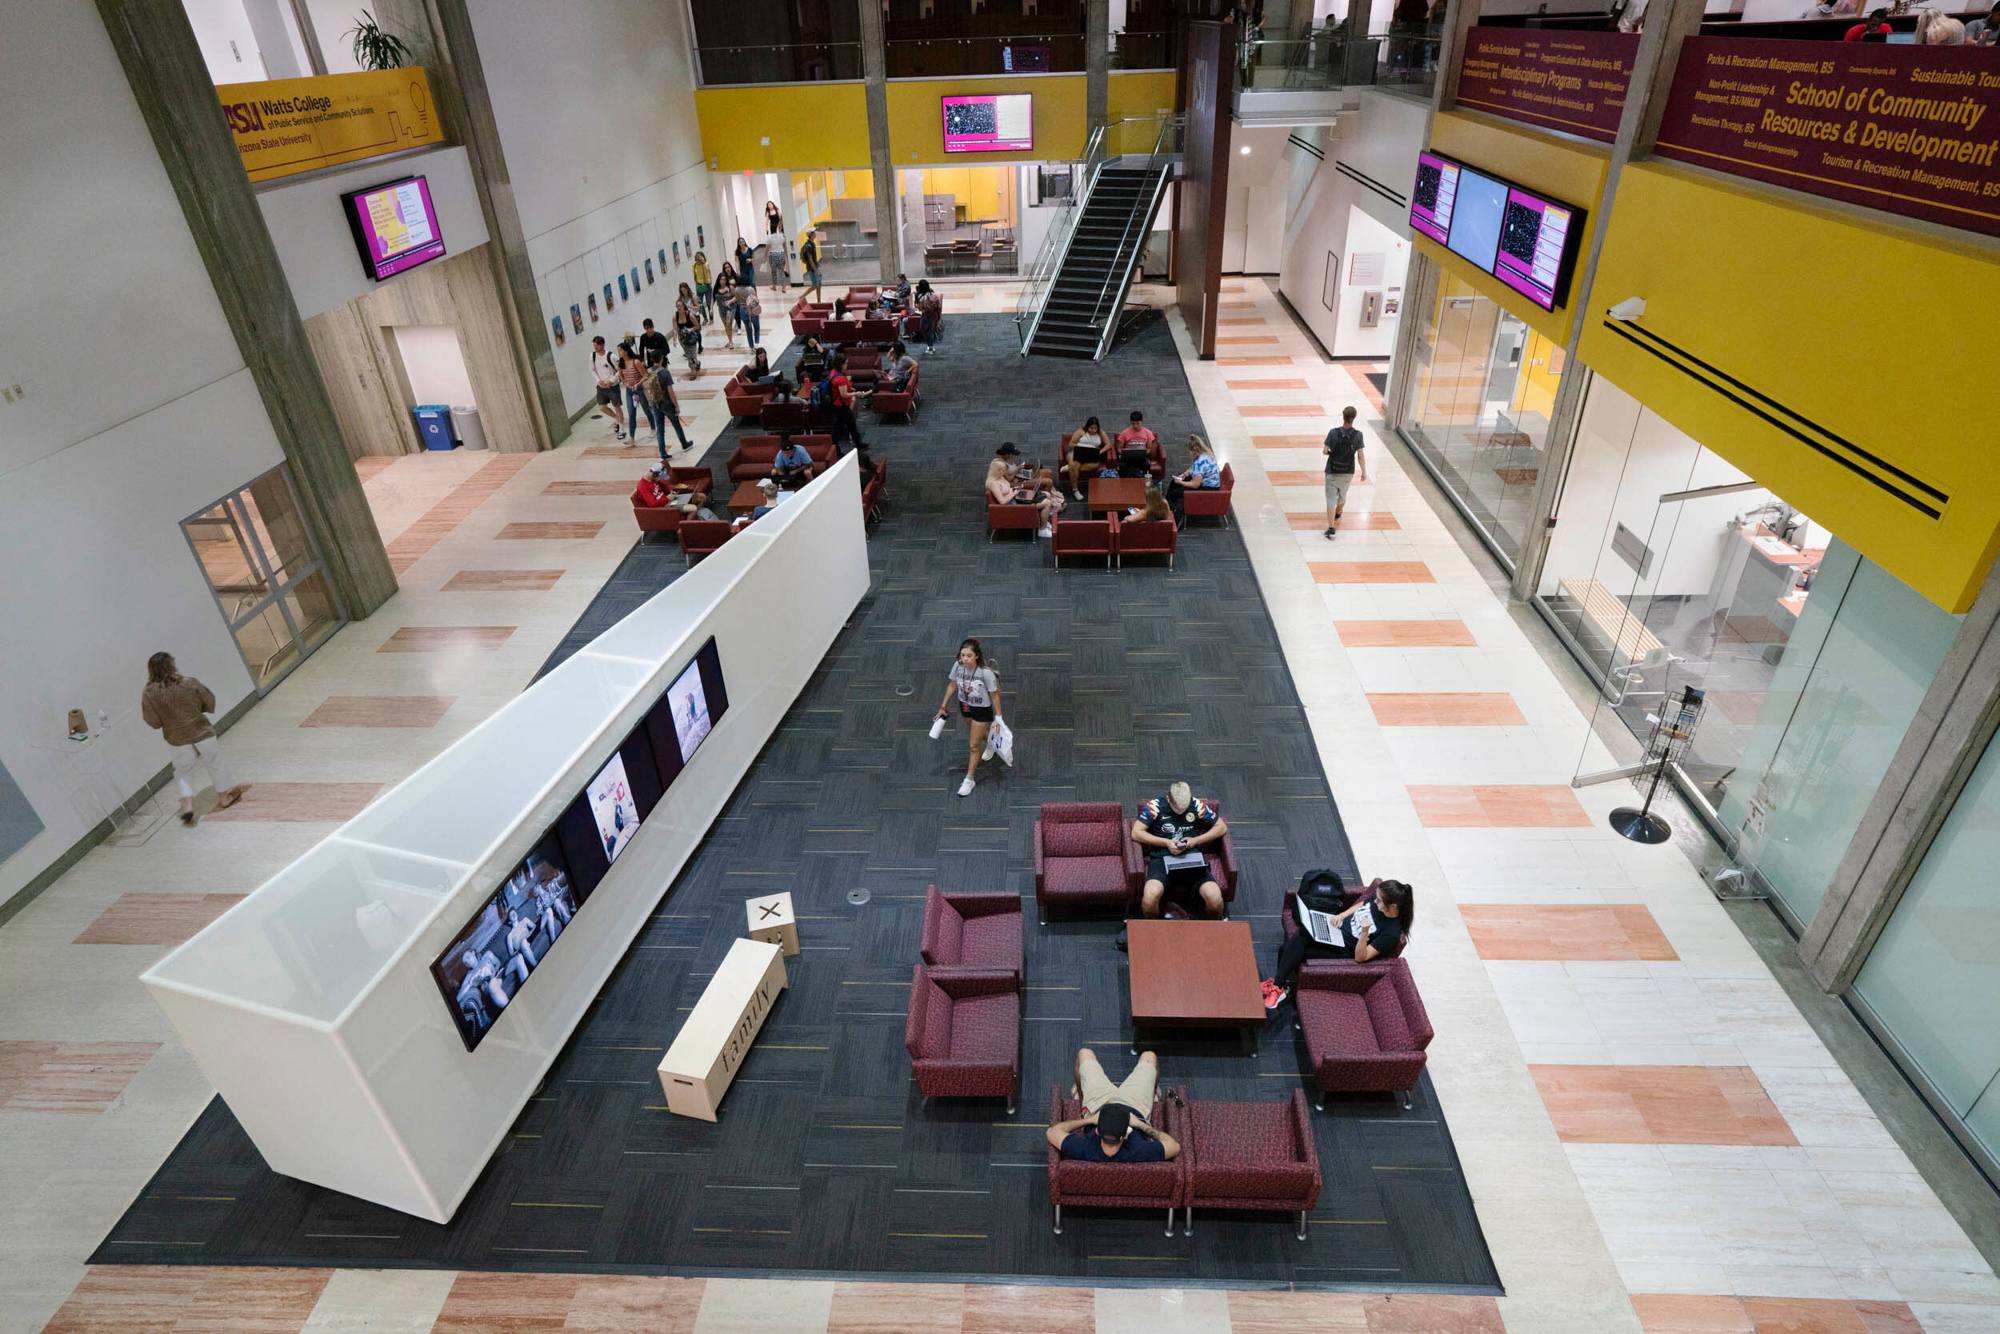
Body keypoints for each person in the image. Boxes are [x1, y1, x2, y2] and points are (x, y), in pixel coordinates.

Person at [1261, 874, 1413, 1010]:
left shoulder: (1391, 933)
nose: (1375, 901)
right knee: (1293, 942)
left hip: (1343, 950)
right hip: (1335, 931)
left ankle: (1278, 987)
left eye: (1379, 901)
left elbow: (1361, 957)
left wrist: (1365, 933)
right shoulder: (1378, 900)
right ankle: (1280, 986)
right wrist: (1342, 915)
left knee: (1290, 947)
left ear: (1393, 906)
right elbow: (1362, 905)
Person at [141, 652, 246, 826]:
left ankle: (188, 805)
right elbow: (208, 699)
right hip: (200, 729)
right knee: (214, 761)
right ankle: (224, 797)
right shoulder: (188, 682)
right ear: (171, 665)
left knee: (183, 769)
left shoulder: (149, 693)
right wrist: (199, 710)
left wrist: (165, 721)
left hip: (175, 736)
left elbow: (152, 720)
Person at [1045, 1049, 1181, 1163]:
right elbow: (1174, 1146)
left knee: (1084, 1054)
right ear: (1127, 1134)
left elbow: (1052, 1132)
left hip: (1099, 1104)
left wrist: (1089, 1120)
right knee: (1149, 1057)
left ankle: (1080, 1098)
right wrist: (1140, 1125)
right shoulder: (1138, 1149)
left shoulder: (1086, 1147)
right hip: (1135, 1105)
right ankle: (1152, 1097)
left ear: (1097, 1131)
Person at [1132, 781, 1228, 919]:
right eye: (1177, 809)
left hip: (1190, 857)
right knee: (1149, 898)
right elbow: (1136, 833)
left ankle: (1208, 928)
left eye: (1185, 808)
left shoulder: (1196, 804)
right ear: (1168, 799)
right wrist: (1166, 843)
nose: (1182, 812)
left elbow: (1222, 827)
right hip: (1162, 857)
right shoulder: (1155, 806)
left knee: (1215, 898)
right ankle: (1154, 931)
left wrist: (1195, 840)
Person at [935, 637, 1009, 797]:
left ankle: (969, 779)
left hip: (981, 709)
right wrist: (943, 706)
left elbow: (994, 695)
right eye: (962, 655)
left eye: (968, 656)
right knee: (979, 734)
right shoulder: (958, 666)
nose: (965, 659)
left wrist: (999, 717)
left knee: (974, 745)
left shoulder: (985, 673)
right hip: (965, 705)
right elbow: (952, 685)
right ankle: (991, 744)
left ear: (976, 656)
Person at [1323, 405, 1369, 538]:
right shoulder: (1358, 435)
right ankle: (1338, 513)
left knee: (1331, 498)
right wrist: (1364, 472)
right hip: (1348, 472)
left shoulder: (1333, 433)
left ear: (1343, 416)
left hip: (1332, 471)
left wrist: (1332, 454)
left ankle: (1331, 528)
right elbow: (1360, 456)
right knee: (1342, 495)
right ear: (1353, 418)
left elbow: (1325, 451)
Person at [986, 457, 1063, 538]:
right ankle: (1042, 530)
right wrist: (1014, 493)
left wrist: (1014, 490)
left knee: (1047, 494)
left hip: (1016, 497)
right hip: (1014, 505)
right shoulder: (993, 484)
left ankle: (1044, 520)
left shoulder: (1000, 477)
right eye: (1002, 470)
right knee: (1047, 503)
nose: (1005, 472)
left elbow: (1007, 488)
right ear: (996, 471)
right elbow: (1002, 502)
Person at [633, 462, 712, 518]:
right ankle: (688, 529)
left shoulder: (654, 479)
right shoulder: (643, 486)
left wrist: (670, 490)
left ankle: (696, 518)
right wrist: (667, 498)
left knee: (701, 497)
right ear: (654, 474)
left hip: (669, 500)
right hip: (663, 507)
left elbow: (664, 486)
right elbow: (653, 505)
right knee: (693, 508)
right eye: (660, 477)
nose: (660, 479)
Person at [824, 352, 865, 452]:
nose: (847, 365)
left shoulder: (833, 372)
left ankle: (859, 443)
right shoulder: (840, 378)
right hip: (841, 406)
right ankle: (836, 450)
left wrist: (849, 388)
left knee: (851, 424)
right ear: (840, 364)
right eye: (846, 363)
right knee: (838, 429)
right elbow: (844, 395)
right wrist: (856, 394)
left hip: (837, 404)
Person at [589, 336, 626, 438]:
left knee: (617, 407)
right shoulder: (592, 356)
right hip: (601, 386)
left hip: (612, 387)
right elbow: (592, 369)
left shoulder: (611, 356)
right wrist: (598, 381)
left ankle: (622, 430)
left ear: (602, 345)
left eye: (597, 345)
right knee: (602, 407)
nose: (595, 347)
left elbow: (620, 370)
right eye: (594, 345)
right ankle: (617, 420)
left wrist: (611, 381)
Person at [1065, 416, 1108, 500]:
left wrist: (1100, 451)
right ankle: (1075, 490)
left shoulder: (1101, 433)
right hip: (1076, 452)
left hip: (1091, 454)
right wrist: (1082, 449)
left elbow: (1108, 444)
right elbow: (1071, 444)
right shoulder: (1080, 432)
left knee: (1095, 465)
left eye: (1095, 428)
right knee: (1074, 464)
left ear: (1098, 428)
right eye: (1091, 428)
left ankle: (1069, 468)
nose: (1093, 430)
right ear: (1087, 426)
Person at [617, 338, 650, 441]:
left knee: (646, 409)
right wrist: (626, 383)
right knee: (631, 413)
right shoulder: (620, 363)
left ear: (626, 351)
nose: (619, 353)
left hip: (639, 389)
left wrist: (638, 384)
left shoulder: (636, 362)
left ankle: (653, 427)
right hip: (629, 391)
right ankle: (632, 436)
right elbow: (621, 376)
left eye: (620, 350)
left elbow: (645, 375)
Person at [1115, 411, 1157, 478]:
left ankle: (1145, 484)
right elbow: (1119, 449)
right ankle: (1123, 484)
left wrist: (1144, 453)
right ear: (1131, 422)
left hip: (1141, 458)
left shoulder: (1148, 433)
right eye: (1133, 424)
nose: (1135, 426)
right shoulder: (1125, 433)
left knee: (1146, 465)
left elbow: (1149, 449)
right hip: (1128, 459)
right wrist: (1125, 454)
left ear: (1141, 421)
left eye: (1138, 423)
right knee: (1122, 466)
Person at [672, 299, 703, 377]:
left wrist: (690, 330)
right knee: (689, 353)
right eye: (677, 306)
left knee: (691, 354)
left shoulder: (690, 315)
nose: (679, 308)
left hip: (691, 336)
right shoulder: (675, 316)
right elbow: (675, 329)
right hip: (682, 337)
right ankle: (697, 362)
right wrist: (674, 339)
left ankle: (693, 371)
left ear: (683, 306)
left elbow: (697, 326)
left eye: (680, 306)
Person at [714, 265, 740, 350]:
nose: (723, 281)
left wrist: (730, 301)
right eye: (721, 279)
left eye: (724, 280)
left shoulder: (730, 287)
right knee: (726, 326)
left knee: (728, 325)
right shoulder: (716, 288)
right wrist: (710, 308)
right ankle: (730, 340)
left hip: (730, 309)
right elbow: (713, 298)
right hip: (721, 309)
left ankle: (731, 342)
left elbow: (736, 296)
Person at [916, 279, 943, 349]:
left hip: (926, 314)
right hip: (932, 315)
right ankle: (930, 345)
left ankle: (930, 345)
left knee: (924, 330)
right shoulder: (932, 293)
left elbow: (918, 306)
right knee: (930, 331)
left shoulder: (920, 295)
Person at [738, 281, 763, 347]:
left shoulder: (737, 290)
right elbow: (755, 300)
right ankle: (757, 343)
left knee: (748, 330)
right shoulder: (751, 289)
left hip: (743, 309)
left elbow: (737, 301)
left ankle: (751, 347)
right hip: (753, 309)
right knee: (756, 327)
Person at [801, 231, 823, 301]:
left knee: (819, 285)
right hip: (812, 268)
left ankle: (819, 301)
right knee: (815, 286)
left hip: (815, 267)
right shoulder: (808, 246)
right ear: (810, 235)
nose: (815, 234)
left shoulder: (812, 244)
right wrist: (815, 270)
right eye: (814, 233)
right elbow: (810, 259)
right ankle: (802, 296)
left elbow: (813, 258)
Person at [692, 251, 714, 321]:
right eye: (696, 259)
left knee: (708, 303)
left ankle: (711, 318)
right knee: (700, 304)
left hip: (707, 285)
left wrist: (703, 262)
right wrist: (696, 284)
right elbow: (695, 276)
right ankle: (705, 318)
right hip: (699, 286)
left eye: (698, 259)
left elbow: (706, 271)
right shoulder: (694, 266)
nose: (697, 261)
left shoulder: (706, 264)